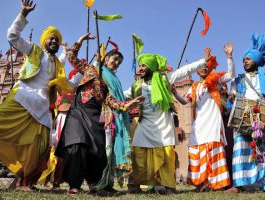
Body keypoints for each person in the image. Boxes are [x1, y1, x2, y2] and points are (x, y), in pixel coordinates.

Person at [0, 0, 72, 189]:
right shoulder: (34, 50)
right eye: (50, 38)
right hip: (22, 97)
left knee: (39, 149)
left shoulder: (59, 66)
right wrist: (23, 15)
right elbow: (12, 36)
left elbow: (68, 85)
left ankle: (25, 181)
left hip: (43, 109)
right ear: (44, 40)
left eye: (56, 39)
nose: (53, 41)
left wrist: (83, 72)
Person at [55, 33, 144, 195]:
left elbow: (112, 101)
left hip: (95, 117)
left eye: (119, 62)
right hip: (77, 113)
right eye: (114, 59)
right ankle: (74, 185)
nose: (116, 63)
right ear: (107, 57)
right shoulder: (90, 69)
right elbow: (72, 58)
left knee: (97, 151)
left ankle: (95, 184)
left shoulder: (108, 82)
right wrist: (80, 41)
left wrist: (128, 105)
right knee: (77, 145)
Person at [125, 51, 211, 194]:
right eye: (139, 66)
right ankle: (135, 185)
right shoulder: (136, 86)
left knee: (166, 156)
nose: (140, 68)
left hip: (163, 124)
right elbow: (122, 94)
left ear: (151, 67)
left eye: (143, 65)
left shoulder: (165, 79)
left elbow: (184, 71)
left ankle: (169, 187)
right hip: (145, 124)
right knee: (138, 155)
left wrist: (202, 62)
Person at [226, 34, 265, 193]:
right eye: (243, 59)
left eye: (248, 58)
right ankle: (240, 185)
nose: (244, 61)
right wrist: (232, 97)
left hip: (263, 119)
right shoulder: (237, 80)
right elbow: (233, 99)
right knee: (242, 150)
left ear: (257, 61)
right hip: (244, 118)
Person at [181, 44, 235, 191]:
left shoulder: (216, 80)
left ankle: (216, 183)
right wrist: (173, 92)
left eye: (207, 65)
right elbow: (184, 101)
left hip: (213, 121)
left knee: (214, 148)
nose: (204, 68)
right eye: (202, 65)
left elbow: (230, 75)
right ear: (197, 70)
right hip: (199, 123)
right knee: (197, 149)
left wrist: (229, 56)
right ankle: (201, 183)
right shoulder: (194, 87)